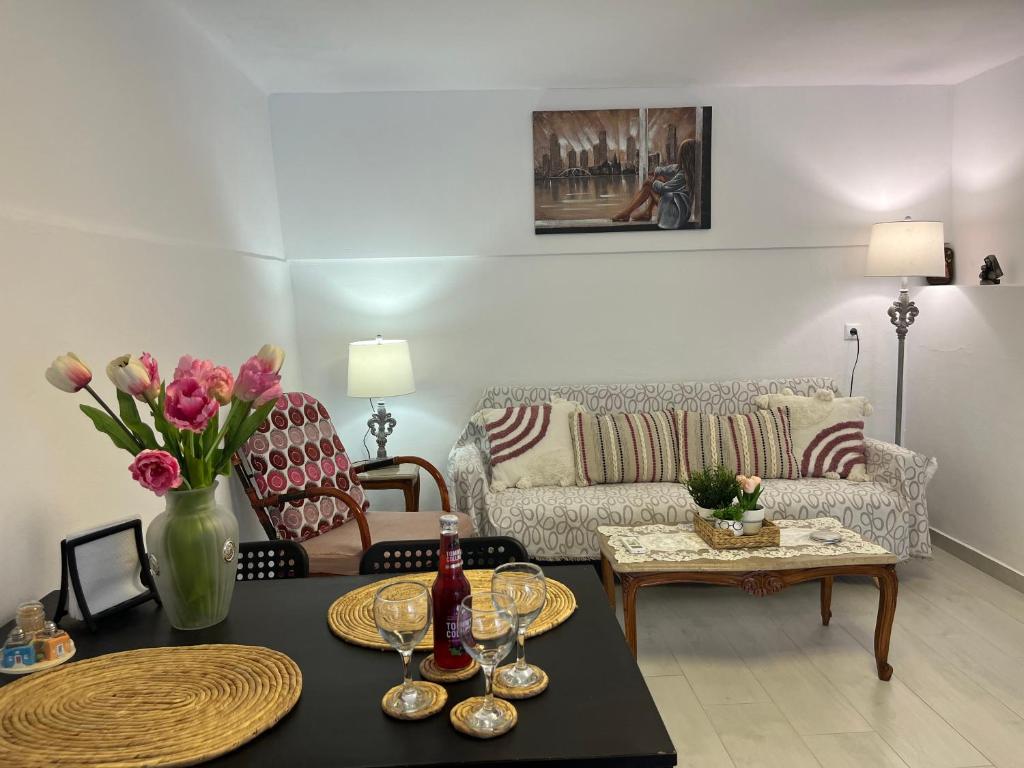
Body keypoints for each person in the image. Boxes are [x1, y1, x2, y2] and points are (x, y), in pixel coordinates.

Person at [612, 138, 698, 228]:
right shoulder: (685, 171)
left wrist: (654, 182)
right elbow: (668, 169)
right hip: (678, 208)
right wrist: (657, 172)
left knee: (649, 185)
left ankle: (627, 212)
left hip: (675, 213)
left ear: (684, 156)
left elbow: (664, 188)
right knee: (655, 181)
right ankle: (646, 212)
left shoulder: (682, 176)